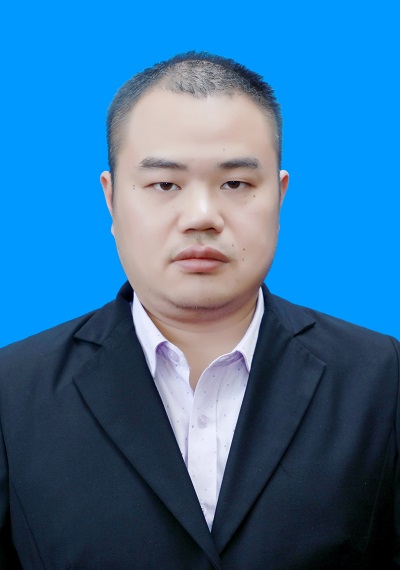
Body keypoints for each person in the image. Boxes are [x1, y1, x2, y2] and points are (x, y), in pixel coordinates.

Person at [0, 51, 398, 569]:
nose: (202, 217)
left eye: (235, 184)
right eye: (165, 184)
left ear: (279, 196)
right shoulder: (12, 391)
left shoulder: (381, 378)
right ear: (112, 200)